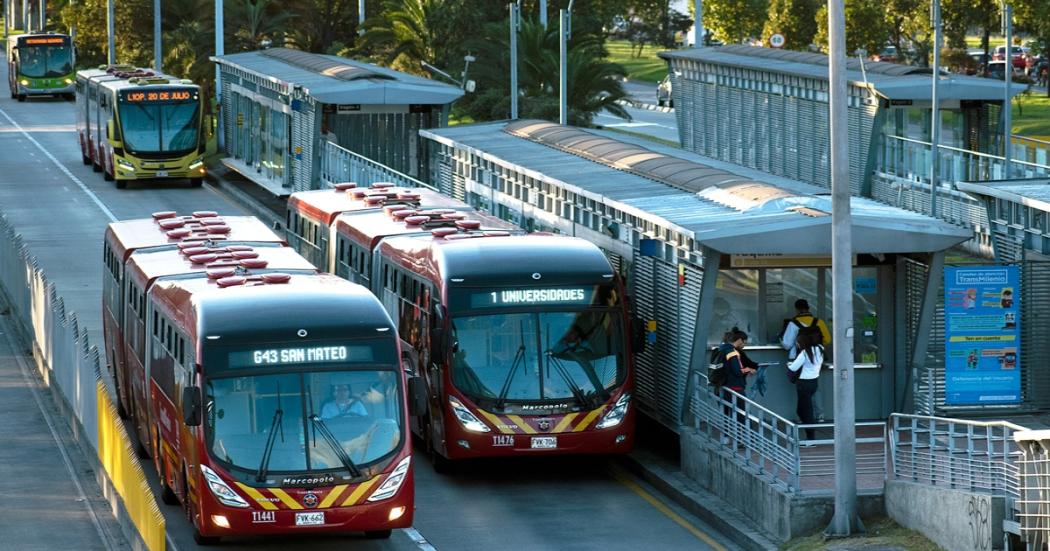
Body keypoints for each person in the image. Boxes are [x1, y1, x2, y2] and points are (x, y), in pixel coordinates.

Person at [779, 299, 829, 420]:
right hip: (816, 357)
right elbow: (827, 339)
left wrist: (780, 339)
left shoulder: (793, 323)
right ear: (808, 308)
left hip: (797, 358)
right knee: (815, 387)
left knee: (802, 389)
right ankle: (820, 414)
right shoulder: (819, 322)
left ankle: (805, 416)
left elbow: (786, 344)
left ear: (796, 309)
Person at [717, 328, 756, 444]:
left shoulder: (720, 350)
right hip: (735, 388)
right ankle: (741, 439)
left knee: (725, 413)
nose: (744, 344)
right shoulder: (732, 352)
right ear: (738, 340)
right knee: (740, 414)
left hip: (721, 386)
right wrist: (748, 370)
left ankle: (725, 437)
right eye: (744, 341)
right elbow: (737, 371)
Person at [788, 329, 823, 442]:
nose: (797, 345)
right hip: (814, 383)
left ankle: (810, 438)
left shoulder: (804, 352)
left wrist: (789, 364)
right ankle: (810, 433)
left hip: (803, 384)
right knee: (804, 410)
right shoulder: (820, 349)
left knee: (805, 411)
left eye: (797, 343)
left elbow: (793, 367)